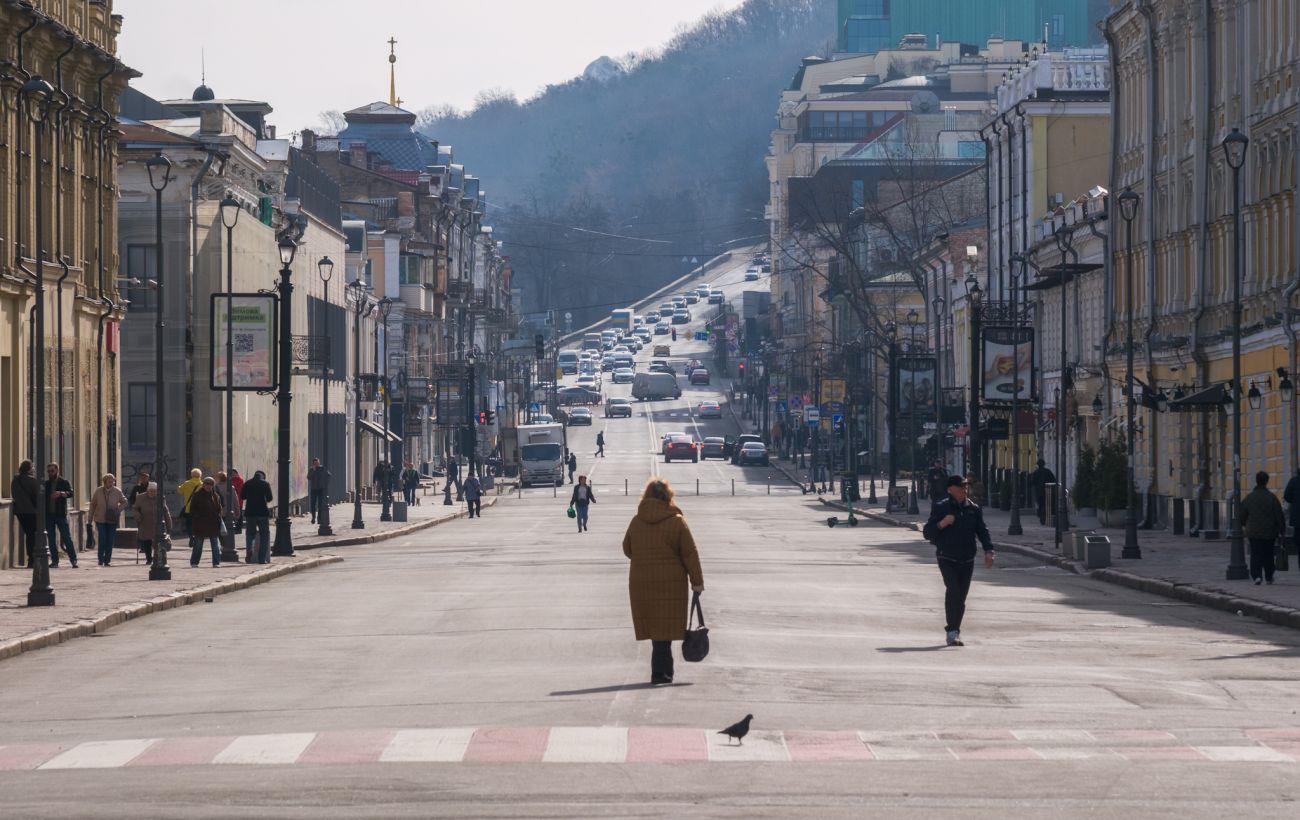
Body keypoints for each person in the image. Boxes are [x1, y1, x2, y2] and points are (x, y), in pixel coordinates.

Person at [622, 479, 704, 685]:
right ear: (668, 497)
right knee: (664, 628)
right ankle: (662, 672)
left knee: (655, 629)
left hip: (642, 582)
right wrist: (697, 582)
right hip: (672, 583)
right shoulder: (676, 521)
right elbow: (690, 554)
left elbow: (627, 549)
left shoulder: (636, 521)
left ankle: (661, 671)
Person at [923, 475, 996, 647]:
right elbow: (928, 532)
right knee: (953, 591)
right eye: (960, 487)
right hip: (946, 557)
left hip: (967, 558)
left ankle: (955, 630)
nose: (964, 490)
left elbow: (982, 531)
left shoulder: (973, 509)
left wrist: (989, 550)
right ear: (950, 489)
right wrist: (942, 523)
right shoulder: (941, 507)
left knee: (961, 597)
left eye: (965, 487)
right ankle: (952, 631)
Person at [1240, 470, 1285, 585]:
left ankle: (1257, 576)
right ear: (1267, 481)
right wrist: (1281, 530)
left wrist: (1245, 524)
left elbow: (1242, 514)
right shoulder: (1272, 498)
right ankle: (1269, 576)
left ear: (1256, 481)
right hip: (1269, 532)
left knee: (1255, 554)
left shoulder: (1249, 497)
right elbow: (1279, 515)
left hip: (1253, 531)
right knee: (1268, 554)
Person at [89, 473, 128, 567]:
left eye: (113, 481)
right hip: (100, 518)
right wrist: (89, 519)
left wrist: (117, 510)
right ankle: (100, 559)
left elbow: (125, 502)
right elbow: (93, 504)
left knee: (110, 540)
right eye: (110, 481)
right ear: (105, 481)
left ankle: (107, 560)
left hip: (112, 519)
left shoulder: (117, 491)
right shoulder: (98, 491)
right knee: (102, 539)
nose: (112, 482)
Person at [44, 462, 77, 567]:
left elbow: (71, 493)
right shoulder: (46, 484)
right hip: (49, 515)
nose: (50, 473)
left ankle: (73, 560)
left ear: (57, 471)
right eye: (48, 471)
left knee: (66, 537)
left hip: (60, 514)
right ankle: (55, 561)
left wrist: (61, 494)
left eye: (52, 471)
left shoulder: (64, 482)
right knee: (51, 539)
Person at [188, 475, 224, 568]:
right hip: (201, 524)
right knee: (198, 544)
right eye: (206, 484)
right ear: (203, 485)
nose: (208, 486)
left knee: (215, 545)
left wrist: (218, 517)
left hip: (213, 524)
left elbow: (219, 509)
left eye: (211, 484)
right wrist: (198, 517)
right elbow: (192, 509)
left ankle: (216, 562)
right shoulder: (197, 495)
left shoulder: (216, 496)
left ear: (213, 486)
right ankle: (194, 562)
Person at [132, 482, 172, 564]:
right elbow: (135, 508)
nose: (153, 493)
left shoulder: (160, 498)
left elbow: (165, 510)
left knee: (157, 542)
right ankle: (149, 559)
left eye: (155, 491)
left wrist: (169, 523)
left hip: (158, 522)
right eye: (151, 491)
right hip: (145, 521)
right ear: (148, 490)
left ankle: (156, 557)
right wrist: (137, 515)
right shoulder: (140, 497)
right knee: (147, 541)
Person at [10, 460, 40, 565]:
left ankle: (30, 558)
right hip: (31, 511)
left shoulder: (15, 480)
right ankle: (32, 558)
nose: (33, 469)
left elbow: (13, 494)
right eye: (32, 467)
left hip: (19, 511)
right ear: (29, 468)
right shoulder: (32, 480)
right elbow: (37, 496)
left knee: (28, 533)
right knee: (32, 534)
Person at [240, 470, 273, 564]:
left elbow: (242, 496)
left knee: (250, 534)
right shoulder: (265, 484)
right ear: (262, 477)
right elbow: (270, 498)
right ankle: (262, 559)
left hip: (250, 513)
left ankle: (249, 550)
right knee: (264, 536)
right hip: (262, 513)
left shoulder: (247, 483)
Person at [1028, 459, 1056, 524]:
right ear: (1044, 464)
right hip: (1048, 491)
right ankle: (1046, 517)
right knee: (1047, 504)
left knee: (1041, 505)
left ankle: (1042, 518)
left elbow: (1033, 482)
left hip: (1039, 492)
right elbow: (1053, 480)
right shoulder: (1048, 471)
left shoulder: (1036, 472)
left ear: (1038, 465)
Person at [176, 468, 203, 535]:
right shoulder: (202, 484)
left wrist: (178, 486)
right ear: (200, 475)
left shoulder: (187, 483)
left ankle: (191, 535)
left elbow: (180, 491)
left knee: (189, 524)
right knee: (198, 523)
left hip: (189, 508)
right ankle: (196, 535)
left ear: (191, 475)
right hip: (199, 508)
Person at [307, 458, 330, 523]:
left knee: (320, 505)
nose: (316, 464)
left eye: (317, 463)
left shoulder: (322, 468)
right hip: (313, 489)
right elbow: (309, 477)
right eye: (315, 463)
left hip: (320, 489)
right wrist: (314, 471)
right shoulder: (311, 469)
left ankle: (319, 518)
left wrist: (325, 484)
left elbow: (329, 475)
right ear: (313, 464)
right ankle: (313, 517)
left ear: (319, 463)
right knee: (313, 504)